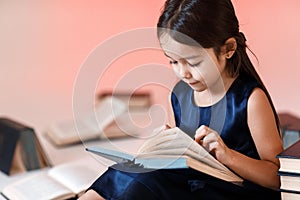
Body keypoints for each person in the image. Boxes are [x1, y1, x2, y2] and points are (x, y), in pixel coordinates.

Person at [79, 0, 283, 199]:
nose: (183, 72)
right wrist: (166, 147)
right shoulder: (179, 95)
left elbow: (278, 178)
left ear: (228, 49)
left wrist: (227, 155)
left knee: (151, 181)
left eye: (193, 63)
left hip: (236, 191)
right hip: (195, 184)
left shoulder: (250, 100)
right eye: (173, 61)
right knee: (129, 170)